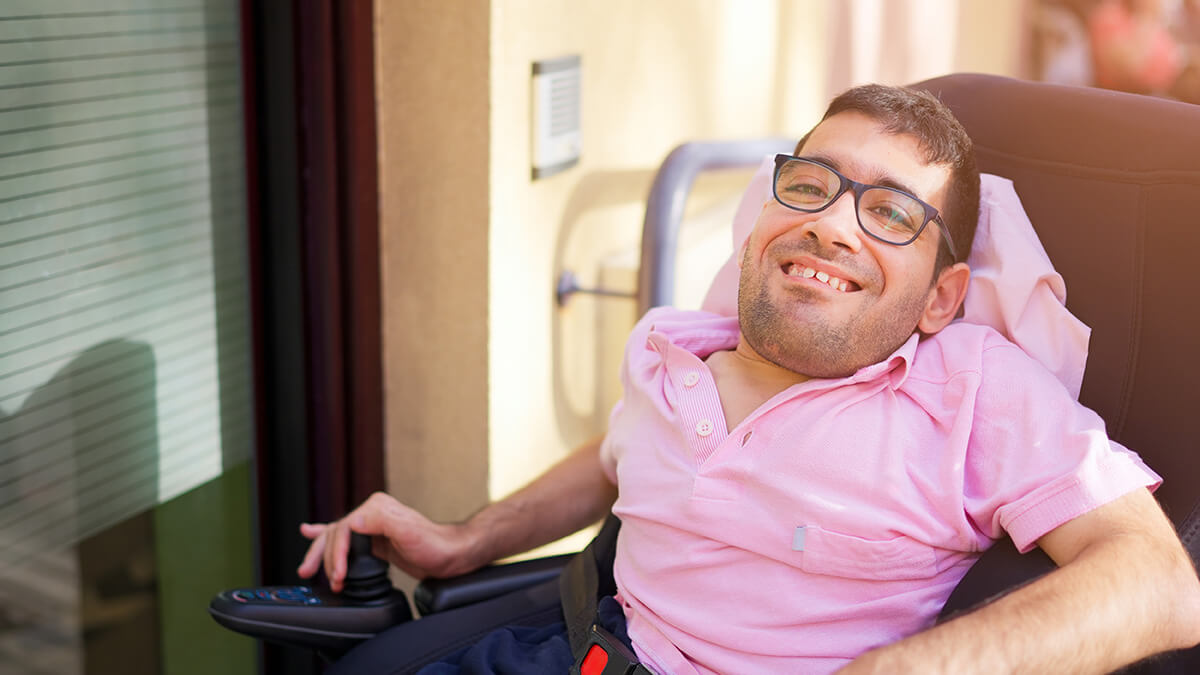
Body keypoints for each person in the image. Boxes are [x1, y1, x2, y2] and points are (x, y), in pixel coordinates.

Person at [298, 84, 1200, 674]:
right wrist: (463, 539)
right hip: (566, 650)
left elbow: (1158, 583)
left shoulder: (971, 387)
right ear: (764, 215)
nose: (836, 227)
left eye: (890, 210)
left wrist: (908, 669)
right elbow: (617, 458)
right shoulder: (674, 346)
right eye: (812, 184)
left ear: (942, 296)